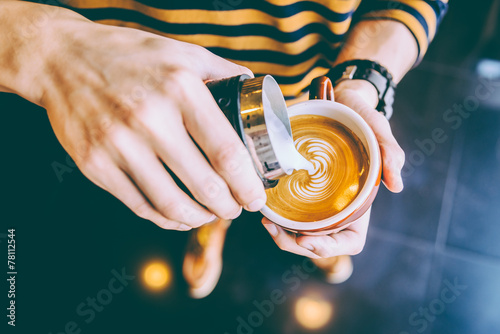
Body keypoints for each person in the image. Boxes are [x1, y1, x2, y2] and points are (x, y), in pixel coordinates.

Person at [0, 0, 448, 297]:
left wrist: (363, 81)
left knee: (246, 177)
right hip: (131, 94)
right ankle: (213, 225)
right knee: (204, 176)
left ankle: (319, 237)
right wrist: (45, 46)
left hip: (301, 88)